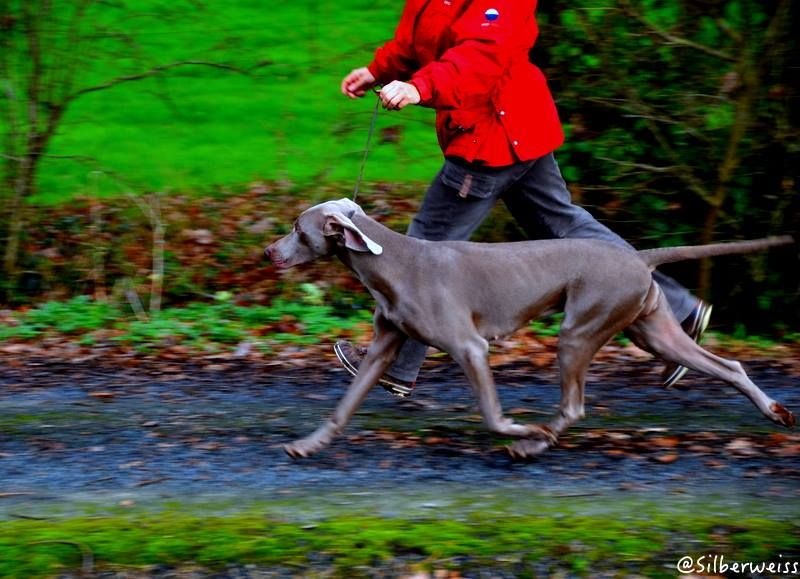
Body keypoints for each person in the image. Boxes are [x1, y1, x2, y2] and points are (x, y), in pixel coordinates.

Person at [335, 0, 711, 396]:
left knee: (422, 251)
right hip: (512, 130)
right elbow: (419, 41)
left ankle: (394, 364)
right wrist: (379, 70)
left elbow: (479, 57)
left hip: (492, 135)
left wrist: (419, 86)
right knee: (565, 229)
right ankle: (678, 310)